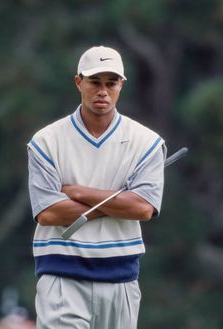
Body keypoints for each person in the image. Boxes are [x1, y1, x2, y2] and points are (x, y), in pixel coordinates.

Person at [27, 45, 166, 329]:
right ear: (78, 82)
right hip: (61, 277)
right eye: (94, 82)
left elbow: (142, 208)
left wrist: (77, 192)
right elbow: (49, 213)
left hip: (121, 280)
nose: (103, 91)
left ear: (121, 85)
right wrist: (120, 203)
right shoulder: (45, 142)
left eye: (110, 83)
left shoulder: (147, 143)